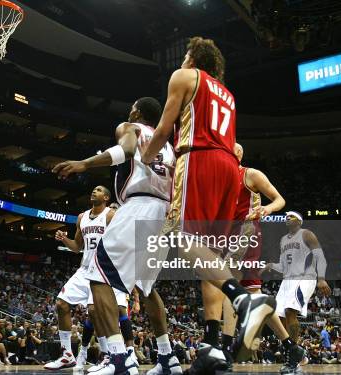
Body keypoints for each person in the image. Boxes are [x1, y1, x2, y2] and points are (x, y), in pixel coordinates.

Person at [140, 36, 276, 373]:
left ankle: (243, 297)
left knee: (181, 239)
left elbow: (164, 126)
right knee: (209, 257)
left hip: (199, 160)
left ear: (192, 58)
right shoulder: (228, 95)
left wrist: (146, 156)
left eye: (186, 54)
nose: (183, 59)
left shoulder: (185, 76)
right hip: (230, 168)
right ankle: (212, 345)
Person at [53, 97, 176, 375]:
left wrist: (84, 164)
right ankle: (168, 358)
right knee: (146, 288)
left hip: (139, 205)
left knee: (98, 275)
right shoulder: (168, 146)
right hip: (166, 214)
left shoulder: (129, 126)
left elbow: (127, 150)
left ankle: (119, 358)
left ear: (136, 112)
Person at [220, 143, 306, 374]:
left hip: (247, 233)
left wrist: (266, 210)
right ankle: (291, 347)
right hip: (226, 236)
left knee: (226, 289)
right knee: (256, 296)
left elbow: (279, 200)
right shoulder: (218, 178)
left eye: (232, 150)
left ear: (238, 154)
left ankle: (226, 351)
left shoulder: (250, 174)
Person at [45, 186, 131, 370]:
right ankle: (67, 354)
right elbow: (77, 246)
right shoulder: (81, 217)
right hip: (85, 268)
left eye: (99, 190)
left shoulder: (111, 214)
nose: (94, 192)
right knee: (61, 304)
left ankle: (108, 355)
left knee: (94, 311)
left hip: (103, 269)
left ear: (106, 197)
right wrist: (64, 239)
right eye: (93, 190)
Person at [265, 211, 331, 344]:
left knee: (290, 311)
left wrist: (322, 278)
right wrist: (271, 265)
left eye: (291, 217)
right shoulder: (283, 240)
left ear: (299, 221)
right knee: (278, 317)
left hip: (305, 277)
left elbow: (320, 256)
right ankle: (291, 349)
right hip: (287, 280)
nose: (287, 218)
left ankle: (294, 351)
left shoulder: (306, 234)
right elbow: (283, 266)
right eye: (286, 217)